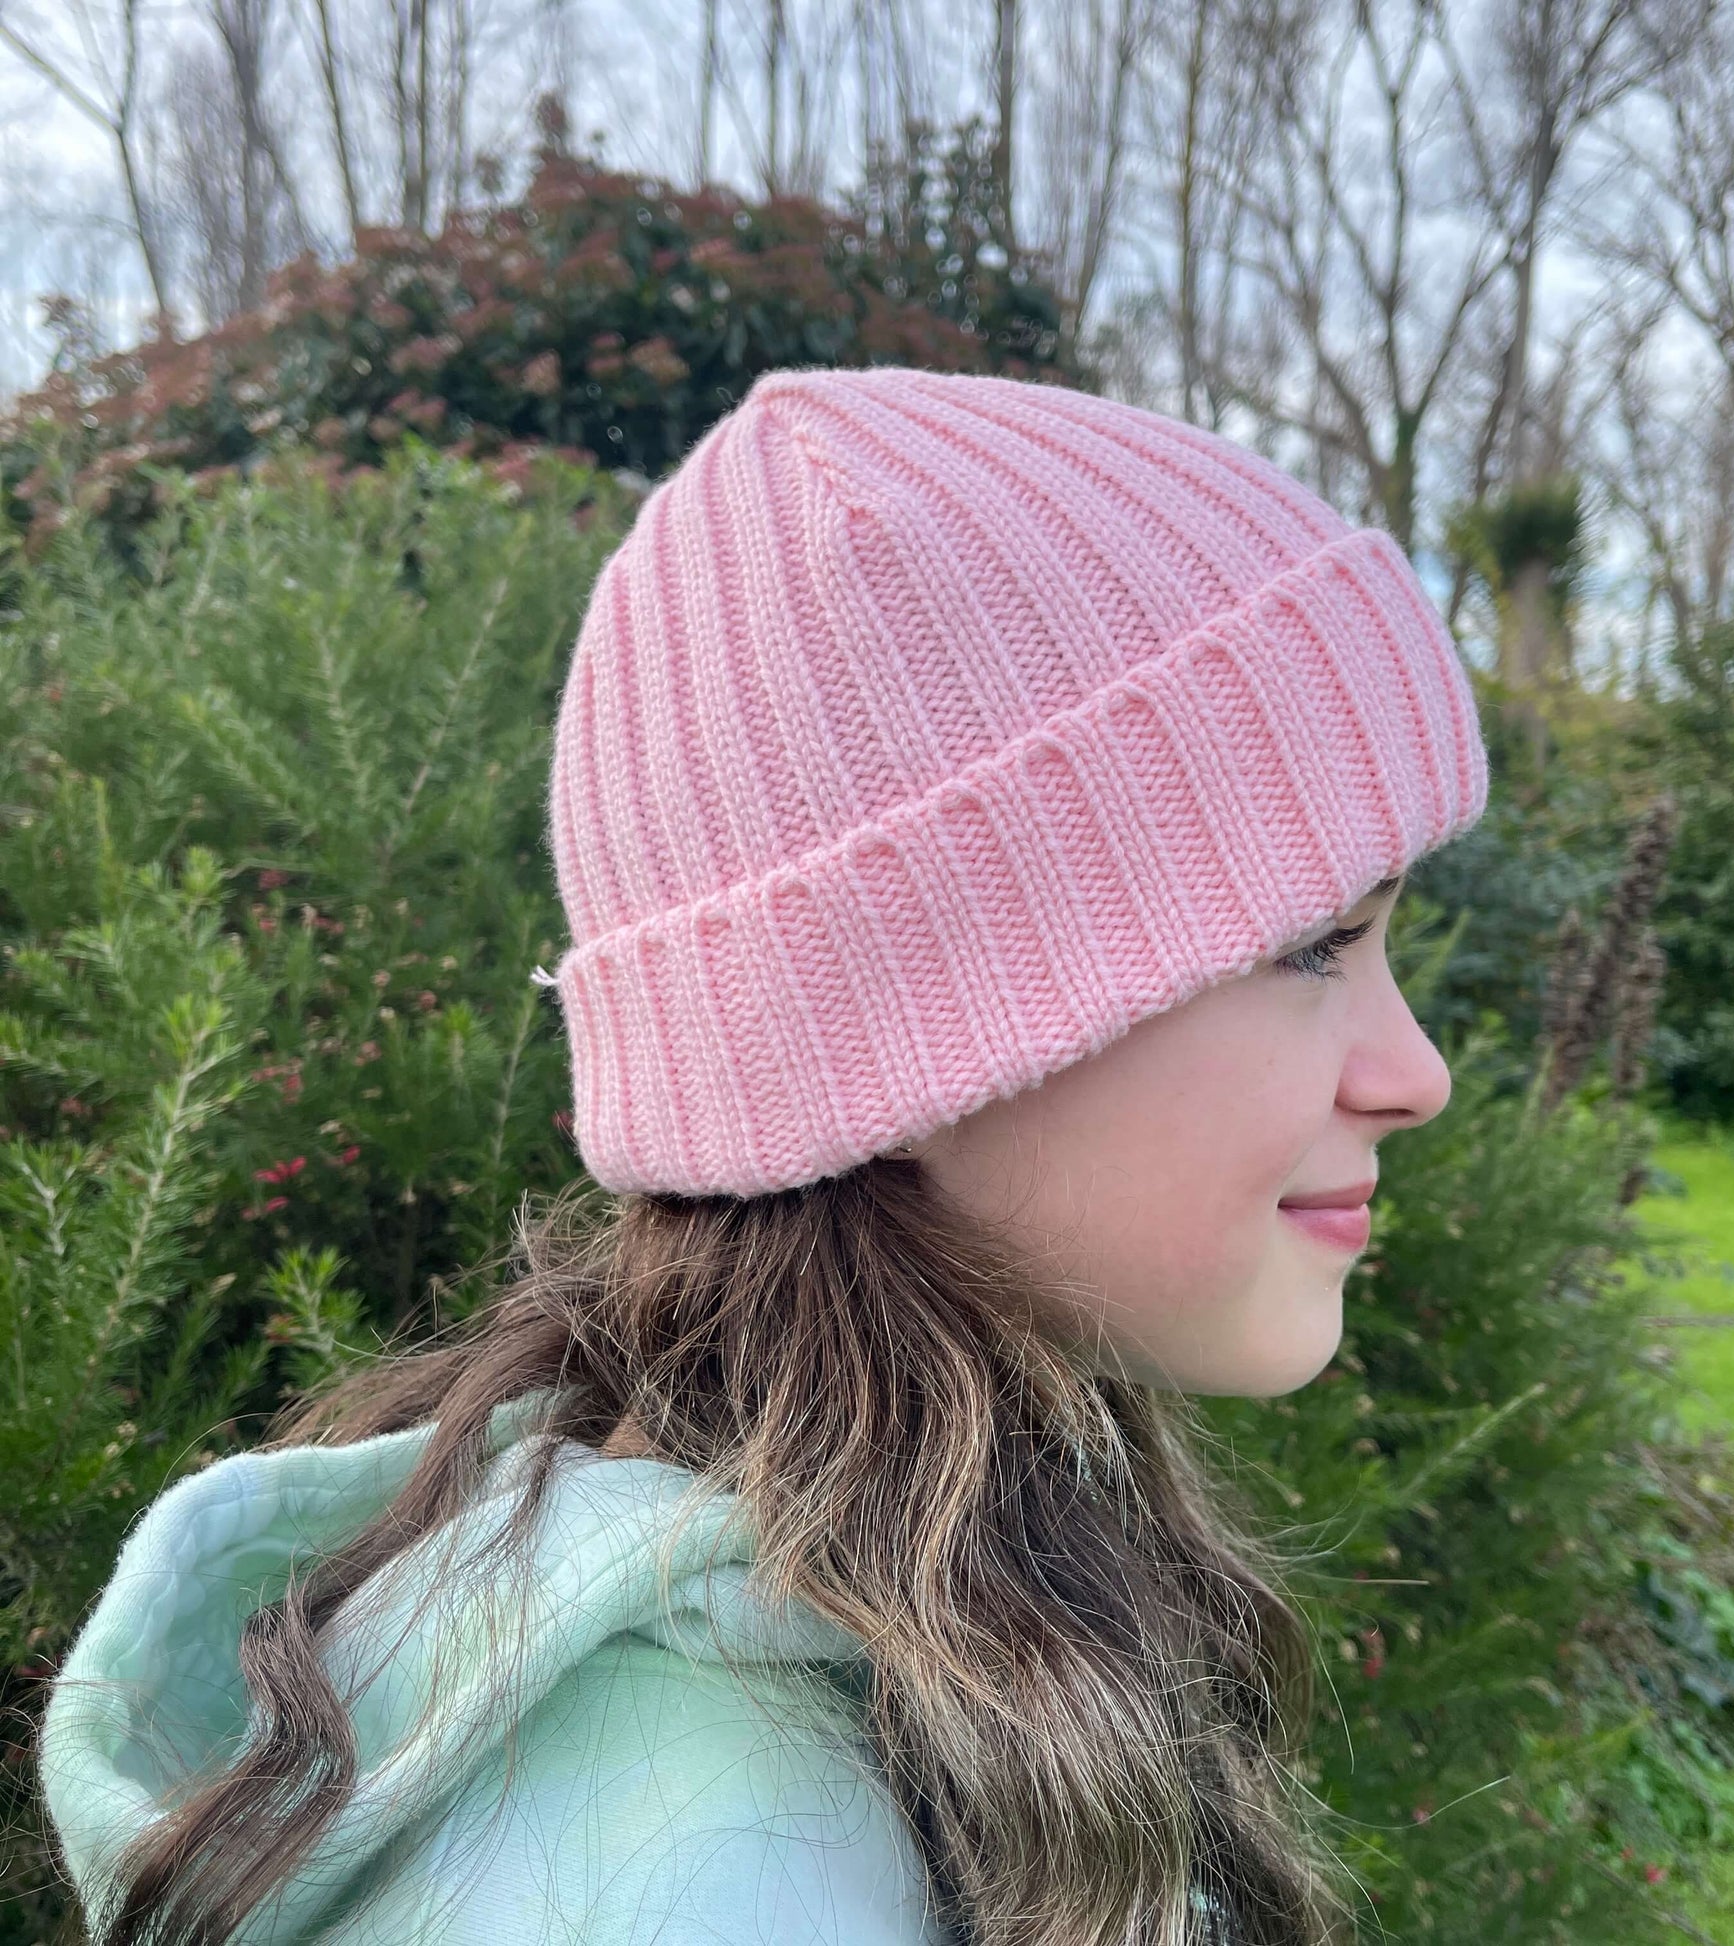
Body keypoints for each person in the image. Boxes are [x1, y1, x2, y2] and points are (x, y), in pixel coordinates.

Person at [37, 364, 1489, 1945]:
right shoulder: (700, 1864)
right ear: (932, 1017)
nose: (1412, 1074)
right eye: (1310, 945)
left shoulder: (880, 1606)